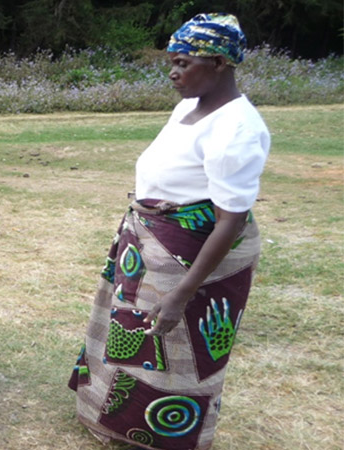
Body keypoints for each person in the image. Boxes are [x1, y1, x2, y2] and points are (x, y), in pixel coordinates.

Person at [68, 13, 270, 450]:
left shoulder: (237, 128)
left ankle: (163, 436)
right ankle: (119, 421)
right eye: (172, 63)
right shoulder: (188, 108)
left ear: (219, 63)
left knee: (175, 346)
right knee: (131, 331)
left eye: (183, 63)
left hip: (190, 256)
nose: (173, 73)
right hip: (151, 242)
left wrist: (182, 292)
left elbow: (229, 220)